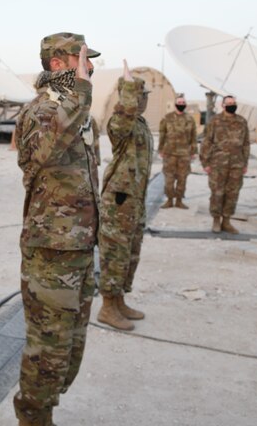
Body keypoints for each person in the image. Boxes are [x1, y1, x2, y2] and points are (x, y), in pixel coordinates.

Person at [13, 33, 100, 425]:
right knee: (48, 349)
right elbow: (46, 153)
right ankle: (33, 417)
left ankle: (45, 411)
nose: (90, 68)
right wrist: (80, 91)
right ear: (57, 64)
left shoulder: (77, 113)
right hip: (51, 251)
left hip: (79, 246)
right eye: (81, 60)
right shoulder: (41, 112)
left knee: (69, 349)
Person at [97, 62, 152, 331]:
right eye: (139, 95)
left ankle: (119, 301)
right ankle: (107, 307)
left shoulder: (140, 123)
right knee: (115, 255)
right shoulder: (120, 121)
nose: (143, 100)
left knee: (130, 253)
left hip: (135, 199)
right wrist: (128, 89)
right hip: (118, 200)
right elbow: (123, 117)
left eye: (144, 95)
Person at [200, 95, 250, 234]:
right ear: (222, 105)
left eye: (233, 103)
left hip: (236, 164)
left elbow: (246, 143)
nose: (231, 105)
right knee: (217, 192)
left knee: (232, 193)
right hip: (217, 163)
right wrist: (205, 162)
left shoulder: (241, 121)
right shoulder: (214, 121)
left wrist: (245, 162)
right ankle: (216, 220)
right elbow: (206, 142)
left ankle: (226, 221)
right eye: (228, 103)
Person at [158, 93, 197, 209]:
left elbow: (193, 137)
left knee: (182, 178)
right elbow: (162, 135)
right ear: (175, 104)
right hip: (169, 154)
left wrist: (194, 151)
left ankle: (179, 201)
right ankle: (169, 200)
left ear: (185, 105)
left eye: (183, 103)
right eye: (179, 103)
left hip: (184, 154)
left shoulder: (190, 119)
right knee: (169, 179)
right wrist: (160, 149)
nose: (181, 105)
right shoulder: (167, 118)